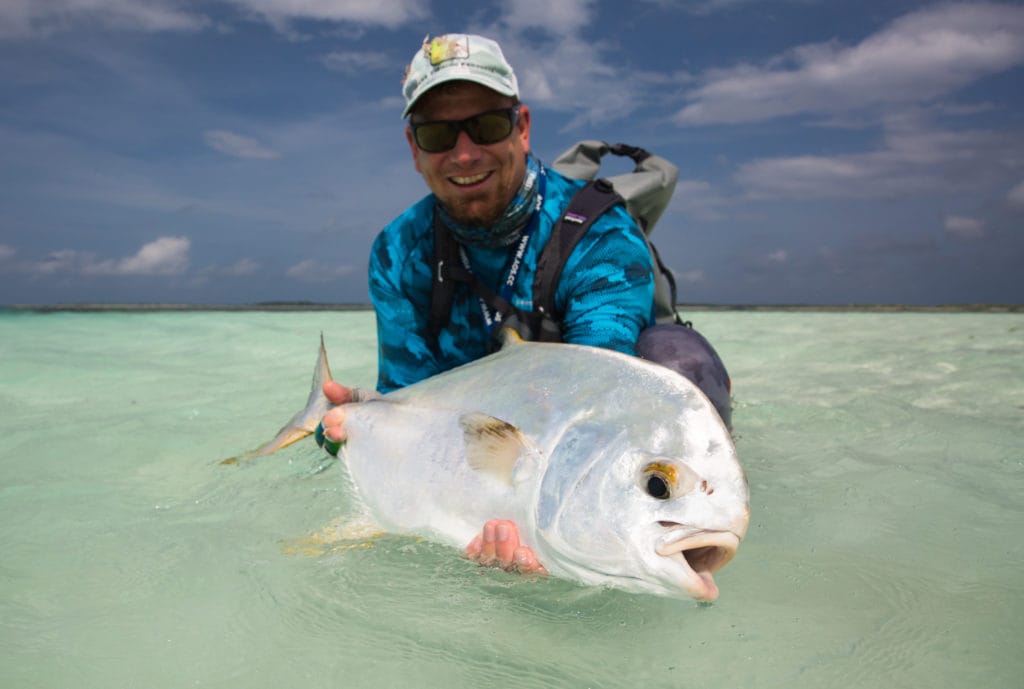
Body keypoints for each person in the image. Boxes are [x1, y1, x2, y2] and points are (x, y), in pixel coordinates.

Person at [318, 33, 657, 575]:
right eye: (437, 134)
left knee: (682, 359)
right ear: (413, 149)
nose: (465, 154)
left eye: (488, 126)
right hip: (484, 441)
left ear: (522, 127)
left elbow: (600, 395)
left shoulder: (599, 233)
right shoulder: (398, 252)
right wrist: (367, 417)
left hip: (555, 440)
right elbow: (415, 404)